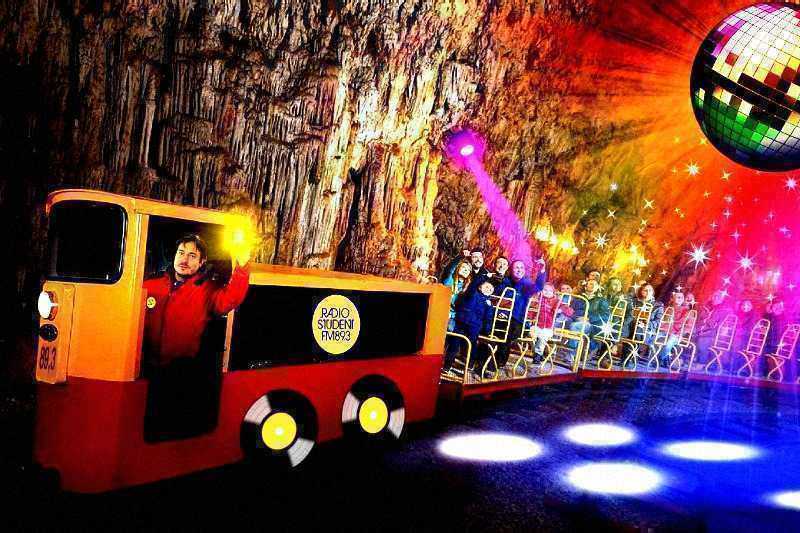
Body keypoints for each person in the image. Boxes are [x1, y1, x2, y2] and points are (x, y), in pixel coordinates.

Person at [143, 234, 250, 369]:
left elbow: (231, 298)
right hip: (144, 368)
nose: (184, 259)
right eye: (181, 253)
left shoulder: (206, 290)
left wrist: (242, 266)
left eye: (192, 256)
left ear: (201, 262)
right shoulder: (150, 285)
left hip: (180, 370)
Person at [496, 258, 547, 369]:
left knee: (507, 332)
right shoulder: (505, 281)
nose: (519, 270)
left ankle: (497, 363)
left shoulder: (526, 284)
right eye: (516, 267)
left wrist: (542, 271)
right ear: (511, 269)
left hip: (517, 320)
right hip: (500, 316)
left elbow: (538, 287)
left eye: (522, 268)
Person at [443, 279, 495, 373]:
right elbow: (473, 285)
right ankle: (447, 365)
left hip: (474, 327)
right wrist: (483, 276)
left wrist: (487, 330)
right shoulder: (472, 294)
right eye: (486, 287)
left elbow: (488, 318)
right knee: (454, 344)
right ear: (480, 287)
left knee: (471, 345)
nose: (488, 289)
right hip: (461, 323)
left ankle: (470, 364)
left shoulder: (488, 303)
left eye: (491, 289)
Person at [568, 278, 609, 358]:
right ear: (586, 286)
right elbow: (570, 310)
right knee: (563, 322)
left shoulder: (601, 300)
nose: (593, 285)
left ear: (598, 287)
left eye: (595, 284)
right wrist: (577, 317)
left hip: (591, 324)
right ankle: (551, 349)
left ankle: (571, 353)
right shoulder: (578, 298)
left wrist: (589, 318)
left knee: (574, 326)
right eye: (590, 283)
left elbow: (605, 315)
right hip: (576, 320)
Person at [695, 290, 731, 366]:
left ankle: (701, 363)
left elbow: (717, 325)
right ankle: (690, 360)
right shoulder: (706, 307)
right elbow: (699, 319)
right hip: (701, 330)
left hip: (712, 334)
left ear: (722, 299)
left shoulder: (723, 310)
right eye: (714, 296)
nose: (715, 298)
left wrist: (706, 322)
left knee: (703, 341)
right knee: (689, 336)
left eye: (718, 297)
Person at [441, 259, 472, 331]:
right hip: (443, 310)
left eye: (468, 270)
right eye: (463, 267)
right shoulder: (450, 280)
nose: (465, 270)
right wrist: (460, 257)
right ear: (457, 268)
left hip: (455, 316)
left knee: (450, 328)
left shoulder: (468, 287)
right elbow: (450, 269)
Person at [661, 292, 690, 366]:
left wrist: (679, 334)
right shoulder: (667, 309)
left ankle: (663, 359)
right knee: (653, 338)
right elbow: (662, 322)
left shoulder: (687, 311)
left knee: (669, 342)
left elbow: (688, 326)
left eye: (682, 297)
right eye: (678, 297)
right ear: (672, 298)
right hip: (665, 331)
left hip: (677, 334)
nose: (680, 299)